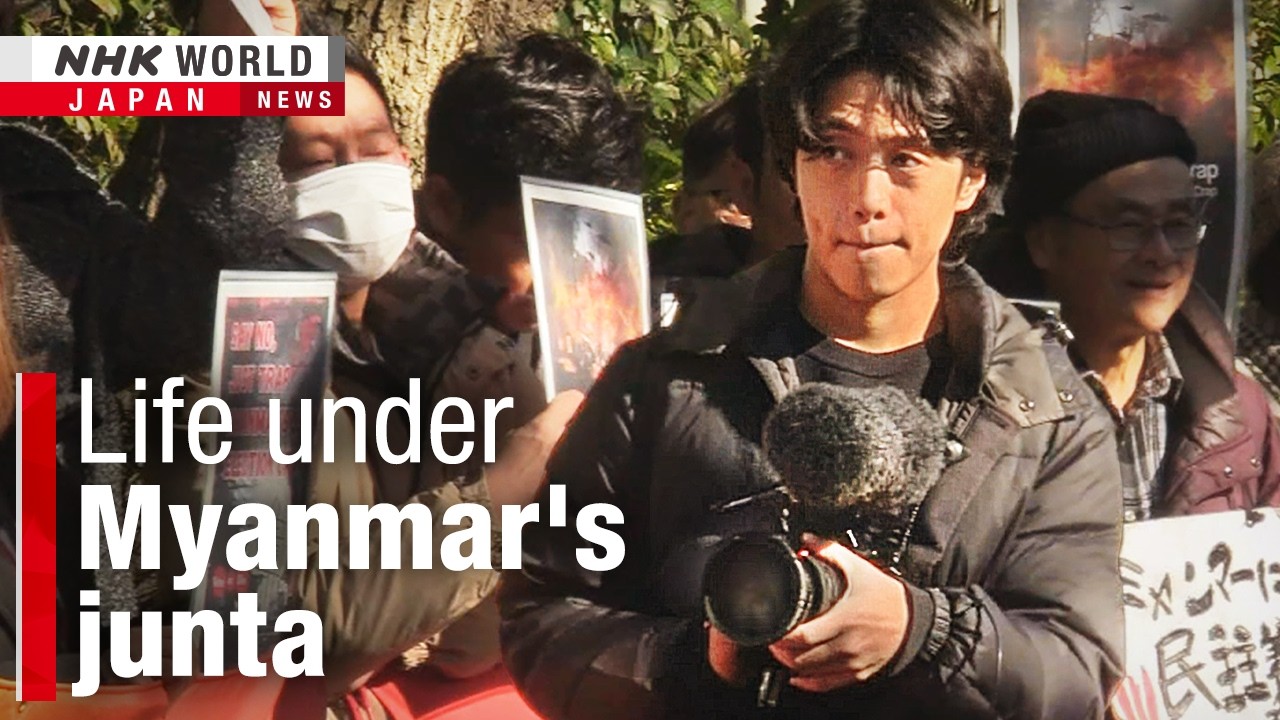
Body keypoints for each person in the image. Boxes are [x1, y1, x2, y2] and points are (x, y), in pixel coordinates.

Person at [499, 1, 1125, 718]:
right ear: (792, 167)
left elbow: (1077, 666)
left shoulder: (1041, 412)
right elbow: (544, 613)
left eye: (906, 159)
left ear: (971, 177)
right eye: (833, 152)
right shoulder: (672, 376)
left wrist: (919, 630)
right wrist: (692, 662)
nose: (866, 198)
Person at [972, 90, 1280, 520]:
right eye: (1129, 225)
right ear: (1044, 241)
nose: (1161, 252)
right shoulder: (974, 407)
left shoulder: (1235, 411)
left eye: (1179, 223)